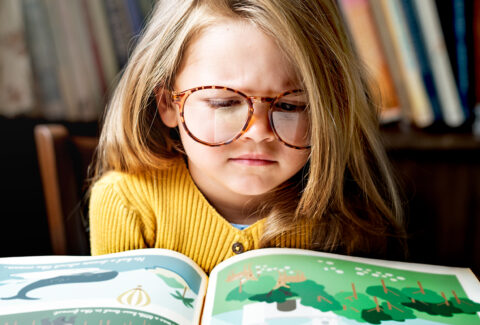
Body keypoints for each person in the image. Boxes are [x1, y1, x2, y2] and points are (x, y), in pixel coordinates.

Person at [89, 0, 406, 273]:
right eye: (224, 103)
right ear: (167, 104)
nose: (258, 133)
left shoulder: (347, 216)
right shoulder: (126, 204)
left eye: (289, 106)